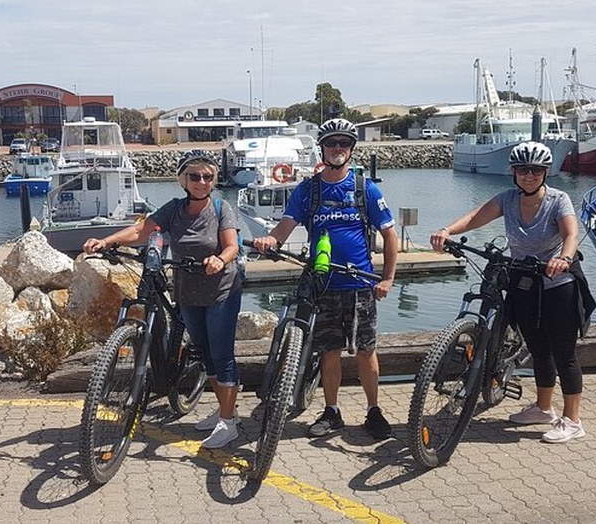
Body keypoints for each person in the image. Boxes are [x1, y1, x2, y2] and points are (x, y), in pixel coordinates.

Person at [430, 141, 593, 444]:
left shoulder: (558, 200)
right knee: (539, 349)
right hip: (523, 283)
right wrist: (447, 231)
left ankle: (573, 420)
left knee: (564, 353)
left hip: (558, 285)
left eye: (535, 170)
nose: (528, 175)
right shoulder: (507, 200)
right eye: (522, 169)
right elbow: (476, 216)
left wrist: (564, 258)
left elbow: (571, 233)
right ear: (514, 173)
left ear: (545, 172)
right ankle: (544, 409)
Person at [83, 150, 243, 449]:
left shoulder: (222, 209)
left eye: (208, 177)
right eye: (194, 176)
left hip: (221, 289)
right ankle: (226, 410)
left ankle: (229, 423)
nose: (201, 182)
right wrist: (106, 241)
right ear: (184, 180)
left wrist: (220, 260)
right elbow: (140, 230)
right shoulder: (174, 209)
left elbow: (232, 245)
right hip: (187, 291)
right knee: (205, 351)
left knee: (221, 354)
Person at [252, 118, 399, 441]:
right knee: (329, 352)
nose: (337, 149)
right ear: (322, 148)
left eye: (344, 143)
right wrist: (270, 241)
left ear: (351, 149)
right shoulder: (308, 190)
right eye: (331, 143)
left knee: (365, 350)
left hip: (360, 285)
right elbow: (284, 227)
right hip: (324, 285)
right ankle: (332, 411)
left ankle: (373, 410)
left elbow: (390, 235)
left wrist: (387, 278)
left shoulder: (365, 189)